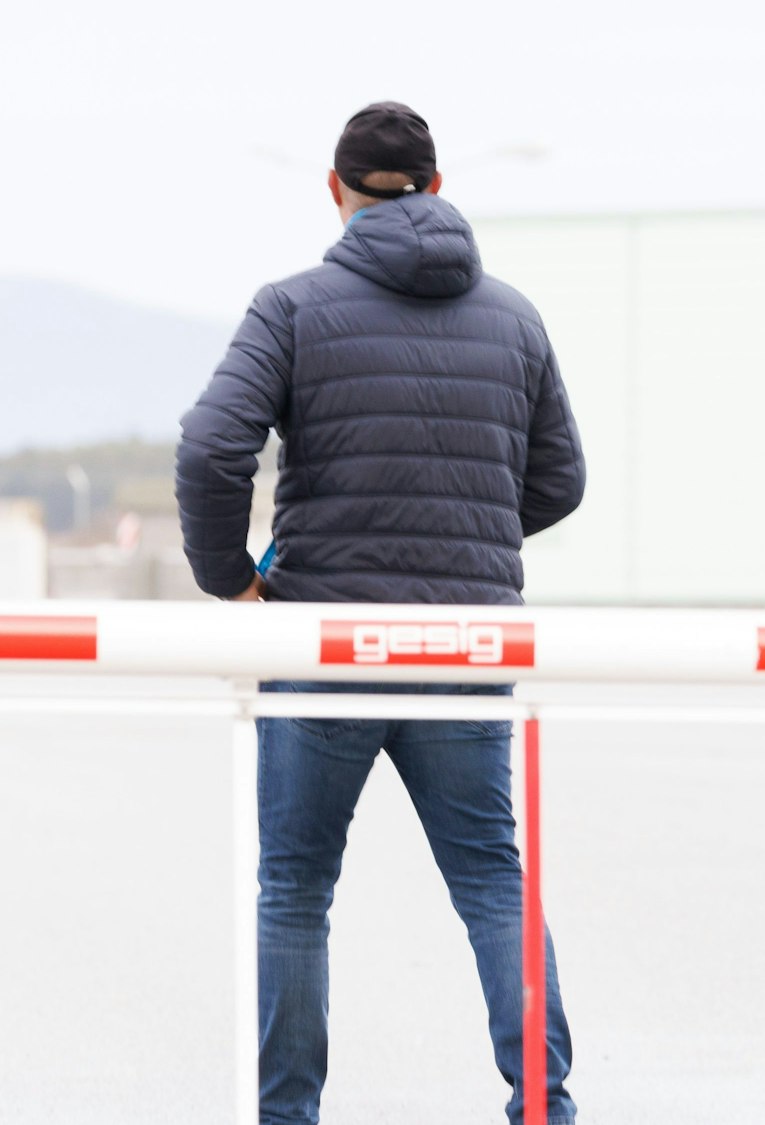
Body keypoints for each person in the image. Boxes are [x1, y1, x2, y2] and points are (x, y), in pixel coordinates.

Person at [175, 102, 585, 1125]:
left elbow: (208, 450)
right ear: (438, 190)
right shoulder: (514, 316)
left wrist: (235, 582)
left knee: (297, 894)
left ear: (335, 190)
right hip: (465, 647)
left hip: (322, 643)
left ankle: (287, 1117)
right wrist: (466, 548)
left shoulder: (293, 307)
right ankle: (544, 1106)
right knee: (491, 881)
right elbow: (560, 481)